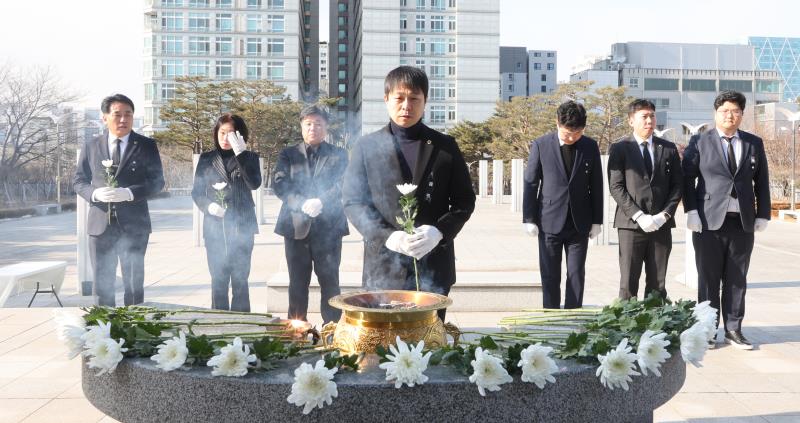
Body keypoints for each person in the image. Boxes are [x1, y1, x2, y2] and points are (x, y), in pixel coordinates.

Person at [342, 66, 475, 320]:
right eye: (399, 98)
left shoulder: (445, 147)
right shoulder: (366, 147)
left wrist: (439, 232)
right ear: (386, 99)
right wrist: (387, 236)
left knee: (430, 341)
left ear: (425, 101)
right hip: (383, 266)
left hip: (433, 263)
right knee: (383, 345)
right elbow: (353, 202)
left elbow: (464, 201)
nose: (406, 106)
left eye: (414, 98)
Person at [682, 90, 771, 350]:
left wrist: (763, 214)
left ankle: (734, 329)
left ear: (742, 115)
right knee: (708, 278)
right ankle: (707, 330)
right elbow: (688, 178)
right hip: (708, 221)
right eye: (724, 111)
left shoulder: (754, 143)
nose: (730, 116)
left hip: (742, 222)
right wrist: (691, 211)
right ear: (715, 113)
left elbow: (762, 182)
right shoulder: (700, 141)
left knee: (737, 278)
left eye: (735, 111)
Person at [74, 94, 165, 306]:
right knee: (102, 284)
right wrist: (94, 194)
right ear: (104, 118)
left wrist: (130, 193)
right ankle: (104, 333)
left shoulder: (146, 145)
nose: (123, 119)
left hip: (134, 226)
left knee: (134, 284)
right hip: (100, 226)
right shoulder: (91, 146)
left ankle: (133, 330)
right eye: (117, 115)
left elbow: (157, 181)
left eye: (128, 114)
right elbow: (79, 181)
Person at [522, 101, 603, 309]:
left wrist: (597, 220)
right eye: (568, 132)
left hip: (580, 222)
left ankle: (573, 316)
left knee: (576, 273)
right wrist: (529, 218)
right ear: (557, 123)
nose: (571, 137)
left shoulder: (590, 146)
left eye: (577, 133)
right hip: (549, 220)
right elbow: (531, 182)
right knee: (550, 274)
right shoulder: (541, 145)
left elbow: (596, 184)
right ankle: (551, 316)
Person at [273, 105, 349, 323]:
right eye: (308, 123)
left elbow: (344, 183)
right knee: (297, 283)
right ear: (301, 126)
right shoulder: (288, 154)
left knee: (330, 283)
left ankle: (333, 330)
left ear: (326, 127)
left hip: (329, 228)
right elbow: (279, 183)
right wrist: (301, 203)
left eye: (318, 123)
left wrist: (321, 201)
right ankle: (296, 331)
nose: (313, 128)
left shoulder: (339, 154)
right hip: (296, 226)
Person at [607, 99, 683, 300]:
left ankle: (655, 326)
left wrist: (665, 215)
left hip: (661, 225)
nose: (649, 120)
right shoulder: (620, 148)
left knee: (658, 283)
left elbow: (677, 185)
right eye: (644, 116)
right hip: (631, 225)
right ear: (631, 121)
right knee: (628, 282)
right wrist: (638, 215)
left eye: (652, 116)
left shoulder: (668, 148)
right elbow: (616, 187)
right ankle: (627, 327)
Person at [192, 113, 261, 312]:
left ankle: (242, 323)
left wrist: (242, 156)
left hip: (242, 226)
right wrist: (209, 206)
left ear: (240, 136)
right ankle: (218, 321)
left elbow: (254, 184)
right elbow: (197, 192)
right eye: (222, 133)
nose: (225, 138)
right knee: (218, 279)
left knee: (240, 280)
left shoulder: (250, 158)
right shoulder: (206, 159)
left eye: (231, 133)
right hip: (215, 227)